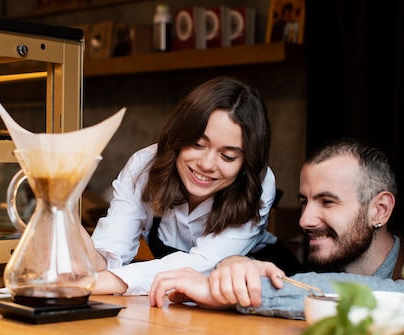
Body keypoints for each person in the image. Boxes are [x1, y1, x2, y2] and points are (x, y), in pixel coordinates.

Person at [149, 137, 404, 320]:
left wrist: (249, 293)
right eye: (304, 202)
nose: (305, 220)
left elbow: (402, 300)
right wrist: (233, 268)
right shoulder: (297, 272)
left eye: (327, 202)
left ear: (379, 210)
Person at [83, 76, 302, 296]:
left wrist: (94, 284)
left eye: (227, 156)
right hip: (184, 301)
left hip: (265, 291)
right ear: (178, 135)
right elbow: (109, 251)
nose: (206, 165)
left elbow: (202, 264)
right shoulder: (144, 166)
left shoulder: (259, 184)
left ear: (246, 163)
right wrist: (86, 253)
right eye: (197, 144)